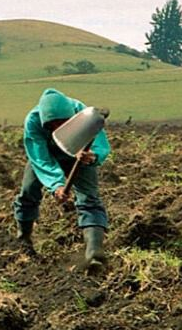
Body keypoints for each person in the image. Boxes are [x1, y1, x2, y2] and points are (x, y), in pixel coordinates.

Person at [13, 88, 111, 267]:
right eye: (54, 125)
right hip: (48, 156)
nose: (59, 128)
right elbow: (40, 158)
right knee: (28, 192)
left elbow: (99, 142)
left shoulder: (83, 113)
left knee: (89, 198)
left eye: (64, 123)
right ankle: (24, 239)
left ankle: (94, 252)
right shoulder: (33, 121)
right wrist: (56, 185)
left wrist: (93, 156)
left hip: (80, 153)